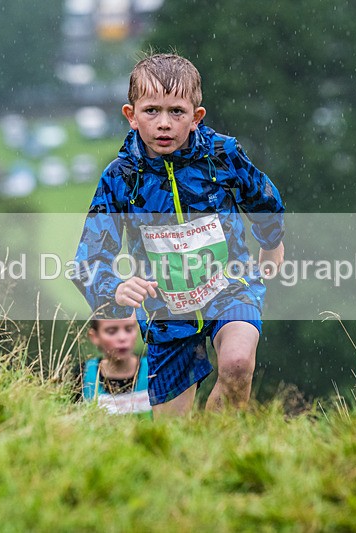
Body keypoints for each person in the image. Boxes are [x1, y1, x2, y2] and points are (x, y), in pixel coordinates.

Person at [73, 53, 285, 417]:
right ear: (131, 115)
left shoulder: (223, 155)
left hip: (229, 285)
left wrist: (271, 242)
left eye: (177, 112)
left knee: (236, 363)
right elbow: (87, 262)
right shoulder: (120, 178)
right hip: (165, 312)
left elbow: (263, 198)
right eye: (152, 111)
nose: (164, 124)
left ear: (196, 116)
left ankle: (221, 450)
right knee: (174, 432)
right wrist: (115, 288)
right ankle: (194, 461)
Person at [81, 317, 152, 416]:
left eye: (129, 329)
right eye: (111, 331)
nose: (122, 338)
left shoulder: (155, 369)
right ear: (94, 337)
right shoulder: (80, 375)